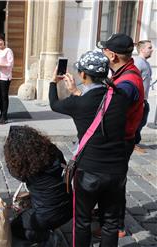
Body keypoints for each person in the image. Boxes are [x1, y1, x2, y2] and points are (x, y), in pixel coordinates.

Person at [49, 50, 129, 246]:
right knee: (110, 222)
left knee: (82, 221)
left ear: (83, 75)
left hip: (89, 172)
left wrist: (53, 82)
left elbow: (54, 104)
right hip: (117, 171)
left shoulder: (78, 103)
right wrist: (77, 92)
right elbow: (101, 102)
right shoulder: (121, 97)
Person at [97, 33, 144, 237]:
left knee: (114, 184)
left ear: (113, 56)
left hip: (119, 141)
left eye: (105, 50)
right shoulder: (123, 73)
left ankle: (116, 225)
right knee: (111, 181)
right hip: (120, 138)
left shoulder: (127, 82)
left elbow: (111, 113)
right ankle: (109, 216)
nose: (102, 53)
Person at [4, 125, 72, 245]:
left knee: (14, 227)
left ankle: (48, 237)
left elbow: (14, 172)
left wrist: (11, 158)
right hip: (69, 206)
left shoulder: (25, 166)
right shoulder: (54, 151)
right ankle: (48, 229)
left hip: (46, 215)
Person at [133, 40, 153, 153]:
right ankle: (132, 144)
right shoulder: (138, 63)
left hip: (144, 99)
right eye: (149, 48)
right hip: (139, 100)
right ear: (142, 49)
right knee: (137, 122)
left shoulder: (146, 63)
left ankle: (134, 142)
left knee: (142, 121)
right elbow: (134, 81)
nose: (152, 50)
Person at [0, 33, 14, 124]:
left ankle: (4, 116)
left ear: (4, 41)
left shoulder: (8, 50)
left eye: (0, 40)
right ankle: (1, 113)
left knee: (4, 96)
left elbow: (10, 64)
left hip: (5, 77)